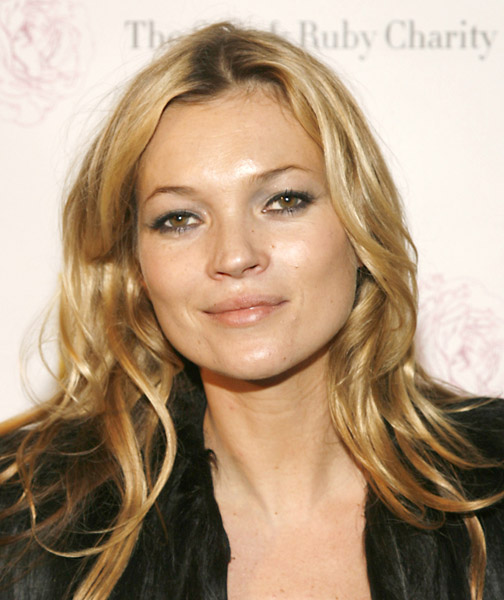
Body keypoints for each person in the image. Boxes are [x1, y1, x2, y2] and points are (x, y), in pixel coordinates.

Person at [0, 21, 502, 600]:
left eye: (284, 201)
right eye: (179, 219)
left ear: (359, 225)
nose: (235, 256)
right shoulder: (26, 525)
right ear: (134, 264)